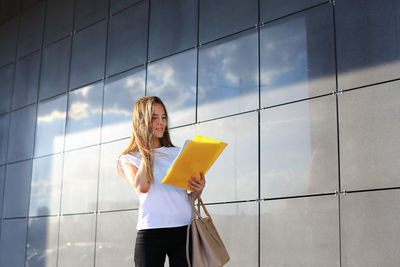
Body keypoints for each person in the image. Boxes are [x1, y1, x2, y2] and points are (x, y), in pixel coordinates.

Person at [116, 96, 206, 267]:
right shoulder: (128, 158)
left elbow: (184, 198)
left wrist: (197, 190)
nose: (160, 123)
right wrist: (146, 147)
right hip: (151, 232)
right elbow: (143, 186)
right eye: (154, 118)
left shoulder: (178, 152)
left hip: (184, 231)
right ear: (141, 122)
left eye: (163, 117)